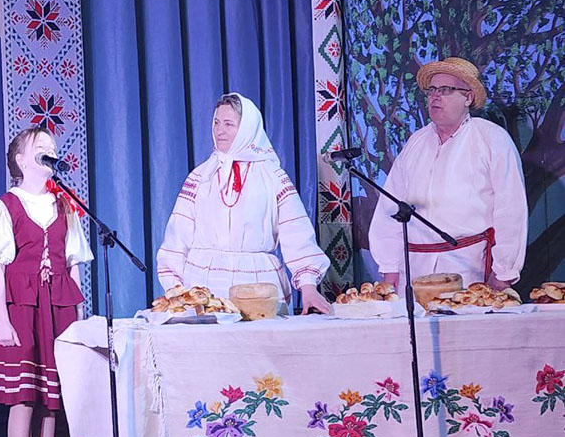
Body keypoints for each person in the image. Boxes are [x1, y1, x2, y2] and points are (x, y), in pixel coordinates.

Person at [0, 126, 92, 437]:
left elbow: (73, 266)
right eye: (38, 146)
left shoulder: (66, 206)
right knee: (23, 399)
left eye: (51, 147)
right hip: (21, 309)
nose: (48, 149)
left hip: (57, 309)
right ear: (21, 160)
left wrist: (77, 318)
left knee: (51, 401)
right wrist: (2, 321)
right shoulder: (6, 207)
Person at [156, 93, 331, 315]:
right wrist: (175, 289)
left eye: (228, 124)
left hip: (259, 286)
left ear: (248, 129)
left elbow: (297, 234)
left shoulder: (273, 177)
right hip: (204, 285)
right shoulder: (200, 177)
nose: (220, 130)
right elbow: (177, 237)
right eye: (217, 122)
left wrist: (308, 287)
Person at [369, 57, 527, 288]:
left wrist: (504, 271)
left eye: (446, 90)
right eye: (432, 90)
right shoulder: (416, 142)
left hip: (467, 268)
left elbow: (511, 208)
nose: (436, 96)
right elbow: (390, 205)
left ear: (468, 97)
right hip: (412, 270)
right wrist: (389, 267)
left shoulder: (491, 138)